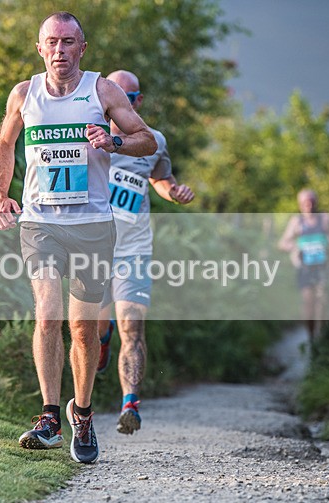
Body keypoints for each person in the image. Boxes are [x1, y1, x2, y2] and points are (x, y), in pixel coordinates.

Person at [0, 12, 157, 464]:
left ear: (83, 47)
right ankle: (48, 417)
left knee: (83, 330)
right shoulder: (24, 94)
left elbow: (147, 140)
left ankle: (81, 413)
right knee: (47, 316)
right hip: (40, 222)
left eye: (68, 42)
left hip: (92, 225)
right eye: (52, 42)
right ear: (40, 48)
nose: (60, 50)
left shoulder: (103, 91)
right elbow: (5, 143)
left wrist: (114, 142)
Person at [95, 70, 195, 435]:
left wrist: (175, 193)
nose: (126, 103)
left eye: (132, 98)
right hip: (93, 247)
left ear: (138, 103)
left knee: (133, 329)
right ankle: (101, 339)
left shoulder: (153, 140)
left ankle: (130, 406)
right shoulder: (87, 132)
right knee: (94, 327)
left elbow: (162, 181)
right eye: (119, 95)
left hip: (133, 249)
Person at [277, 189, 329, 343]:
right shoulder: (296, 222)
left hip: (323, 266)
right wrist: (294, 248)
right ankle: (310, 337)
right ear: (300, 204)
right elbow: (282, 243)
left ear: (316, 202)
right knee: (308, 303)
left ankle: (321, 336)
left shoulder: (324, 219)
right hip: (305, 268)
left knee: (323, 300)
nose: (308, 205)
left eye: (311, 201)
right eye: (305, 202)